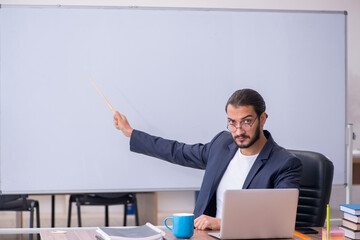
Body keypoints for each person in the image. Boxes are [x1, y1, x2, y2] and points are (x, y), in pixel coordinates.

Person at [113, 88, 302, 231]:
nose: (238, 131)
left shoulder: (284, 164)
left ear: (263, 119)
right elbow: (178, 151)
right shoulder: (222, 145)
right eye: (232, 122)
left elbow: (278, 220)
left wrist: (222, 223)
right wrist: (130, 133)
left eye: (246, 121)